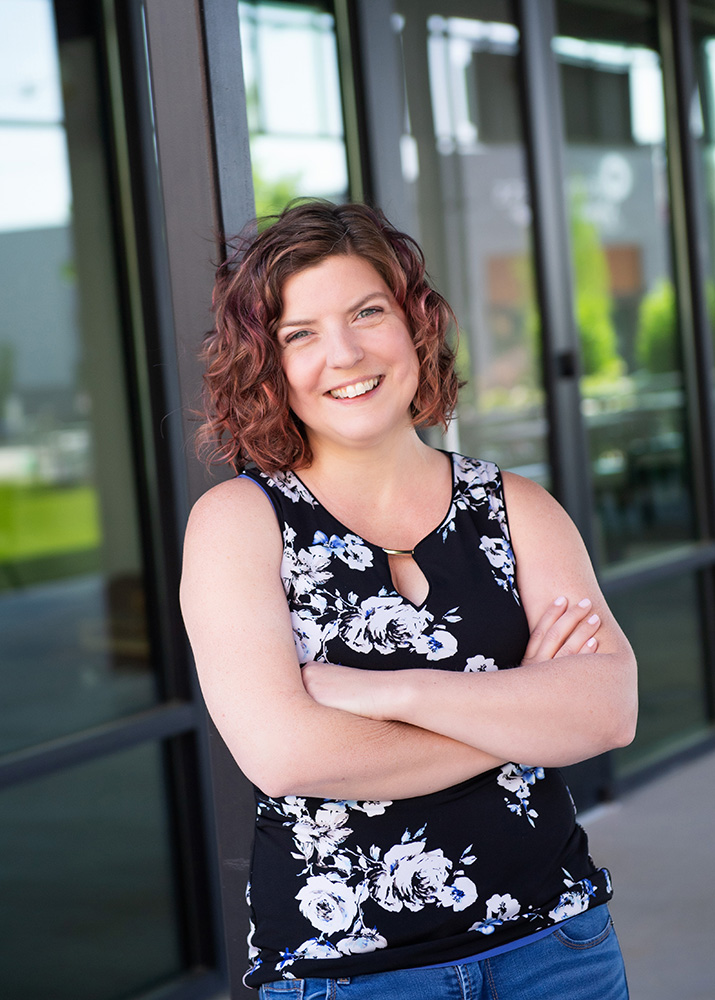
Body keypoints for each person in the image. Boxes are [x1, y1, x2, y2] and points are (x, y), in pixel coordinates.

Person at [180, 201, 637, 1000]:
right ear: (265, 363)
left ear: (413, 324)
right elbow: (289, 756)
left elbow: (607, 712)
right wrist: (525, 716)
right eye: (300, 333)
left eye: (367, 313)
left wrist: (397, 691)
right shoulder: (237, 525)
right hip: (349, 975)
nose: (345, 353)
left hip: (556, 944)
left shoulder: (515, 506)